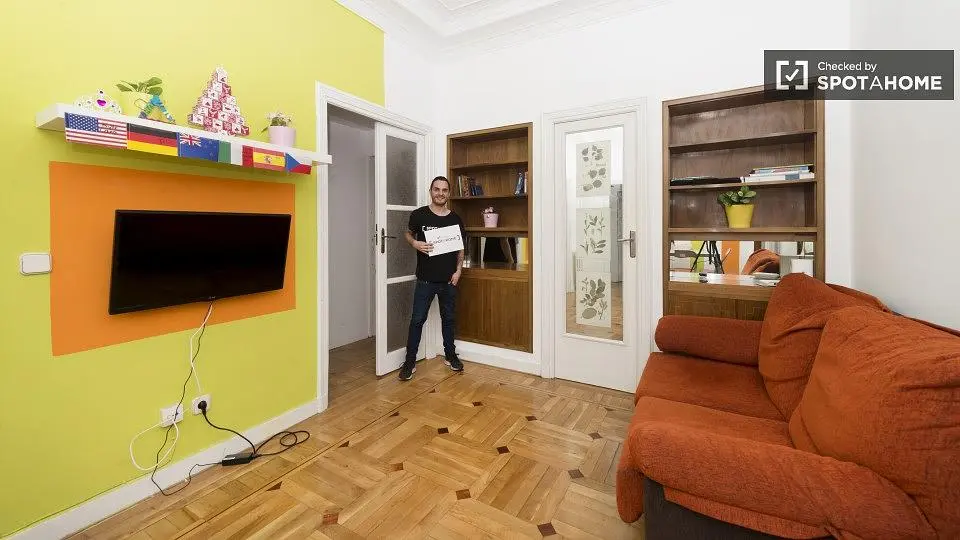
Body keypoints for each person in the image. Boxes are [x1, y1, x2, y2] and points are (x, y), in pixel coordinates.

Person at [399, 176, 465, 380]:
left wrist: (458, 271)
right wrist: (415, 244)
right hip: (425, 280)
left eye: (444, 190)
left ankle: (450, 355)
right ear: (431, 191)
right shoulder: (419, 215)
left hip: (448, 281)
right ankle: (410, 362)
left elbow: (460, 249)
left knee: (449, 320)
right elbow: (408, 234)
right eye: (437, 189)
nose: (440, 193)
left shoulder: (455, 219)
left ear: (449, 193)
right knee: (417, 320)